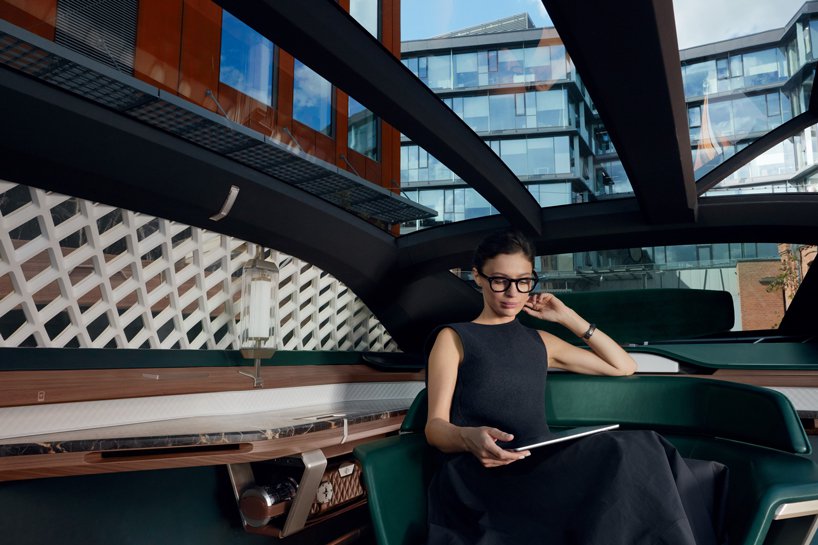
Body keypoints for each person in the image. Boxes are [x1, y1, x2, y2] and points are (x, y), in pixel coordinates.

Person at [424, 230, 727, 545]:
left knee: (655, 454)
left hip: (541, 465)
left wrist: (568, 317)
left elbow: (623, 365)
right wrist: (469, 438)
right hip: (482, 477)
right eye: (500, 281)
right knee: (631, 451)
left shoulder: (541, 342)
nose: (513, 292)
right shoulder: (454, 338)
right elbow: (435, 428)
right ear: (478, 277)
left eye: (524, 281)